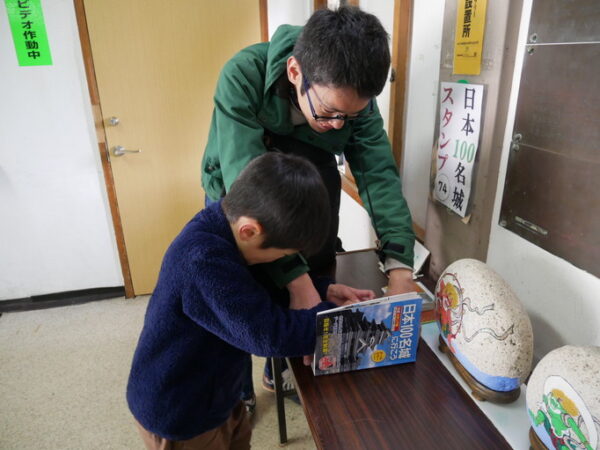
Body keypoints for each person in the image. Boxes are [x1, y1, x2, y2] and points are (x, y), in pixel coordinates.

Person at [201, 6, 417, 406]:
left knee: (315, 269)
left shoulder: (354, 103)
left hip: (309, 181)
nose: (339, 125)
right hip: (242, 192)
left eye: (350, 116)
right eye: (329, 112)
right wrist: (296, 282)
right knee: (239, 295)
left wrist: (401, 265)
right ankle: (237, 392)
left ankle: (281, 370)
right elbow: (246, 185)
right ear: (295, 71)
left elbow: (378, 176)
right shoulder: (243, 75)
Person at [127, 153, 373, 449]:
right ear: (249, 231)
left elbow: (255, 289)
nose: (281, 261)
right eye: (283, 255)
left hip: (218, 391)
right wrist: (333, 318)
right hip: (181, 411)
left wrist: (324, 291)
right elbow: (268, 335)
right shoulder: (202, 260)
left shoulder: (229, 226)